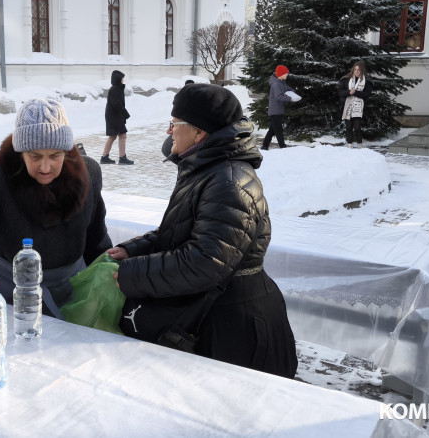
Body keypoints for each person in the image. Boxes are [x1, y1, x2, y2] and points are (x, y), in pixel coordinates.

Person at [109, 83, 298, 378]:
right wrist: (133, 249)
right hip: (215, 314)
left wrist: (132, 274)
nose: (168, 131)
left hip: (234, 328)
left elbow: (205, 262)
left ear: (200, 133)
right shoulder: (205, 168)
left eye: (174, 124)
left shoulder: (228, 181)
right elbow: (180, 230)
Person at [0, 98, 112, 316]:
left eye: (55, 155)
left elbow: (95, 233)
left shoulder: (87, 173)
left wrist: (107, 267)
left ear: (66, 151)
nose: (45, 167)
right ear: (20, 152)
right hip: (6, 291)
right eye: (35, 156)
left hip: (74, 286)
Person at [338, 60, 374, 148]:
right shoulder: (346, 79)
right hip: (347, 106)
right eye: (355, 70)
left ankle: (359, 144)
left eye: (359, 70)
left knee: (357, 127)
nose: (357, 71)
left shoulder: (367, 81)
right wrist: (349, 92)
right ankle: (349, 144)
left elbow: (367, 95)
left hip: (359, 107)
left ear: (362, 71)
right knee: (348, 126)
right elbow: (340, 93)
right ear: (353, 70)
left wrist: (355, 92)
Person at [102, 70, 134, 165]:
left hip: (113, 115)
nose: (123, 80)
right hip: (114, 116)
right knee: (122, 135)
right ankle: (122, 158)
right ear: (118, 79)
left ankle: (105, 157)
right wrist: (125, 114)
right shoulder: (115, 89)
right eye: (122, 78)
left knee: (113, 136)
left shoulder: (116, 88)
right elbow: (116, 104)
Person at [261, 65, 295, 150]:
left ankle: (264, 146)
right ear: (281, 74)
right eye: (286, 73)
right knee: (279, 130)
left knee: (272, 130)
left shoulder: (281, 83)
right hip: (275, 111)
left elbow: (289, 89)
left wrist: (291, 93)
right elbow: (278, 97)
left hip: (279, 110)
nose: (287, 74)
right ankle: (282, 147)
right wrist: (290, 98)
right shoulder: (276, 84)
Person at [162, 79, 196, 158]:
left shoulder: (186, 97)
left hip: (187, 127)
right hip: (183, 125)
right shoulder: (183, 97)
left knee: (167, 149)